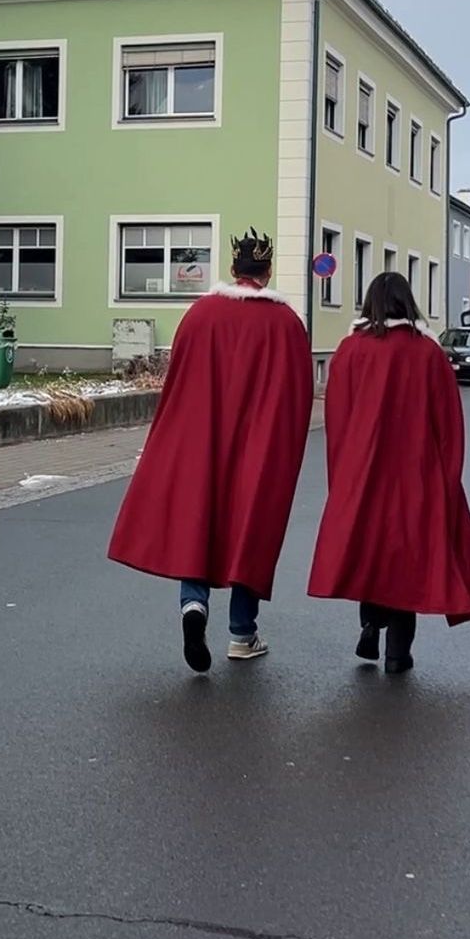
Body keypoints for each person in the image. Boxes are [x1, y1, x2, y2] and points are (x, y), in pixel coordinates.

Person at [108, 229, 314, 672]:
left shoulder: (200, 314)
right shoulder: (287, 324)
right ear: (268, 271)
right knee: (250, 529)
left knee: (198, 517)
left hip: (204, 438)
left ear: (233, 269)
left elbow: (178, 382)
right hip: (259, 448)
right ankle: (242, 633)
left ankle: (193, 605)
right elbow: (299, 398)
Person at [307, 270, 470, 674]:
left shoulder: (350, 350)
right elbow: (449, 422)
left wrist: (342, 476)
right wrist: (448, 476)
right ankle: (397, 652)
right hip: (417, 473)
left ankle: (370, 624)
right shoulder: (427, 353)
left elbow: (336, 419)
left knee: (370, 550)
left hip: (362, 469)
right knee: (406, 559)